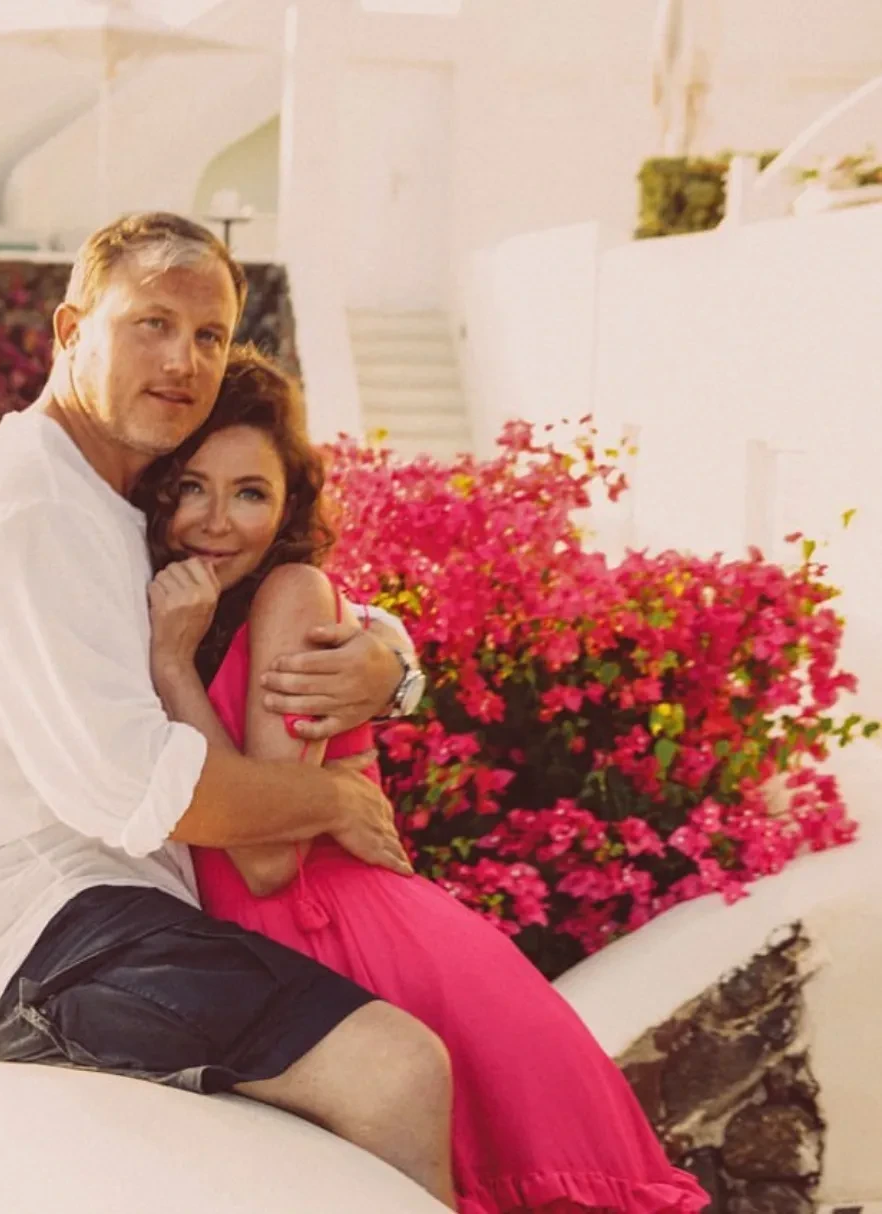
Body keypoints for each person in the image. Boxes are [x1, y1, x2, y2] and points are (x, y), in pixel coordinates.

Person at [0, 212, 458, 1205]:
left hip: (90, 917)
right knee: (396, 1071)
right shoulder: (33, 507)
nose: (184, 360)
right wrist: (332, 801)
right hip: (31, 939)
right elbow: (144, 789)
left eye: (209, 334)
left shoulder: (119, 493)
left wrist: (392, 664)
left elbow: (284, 585)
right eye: (152, 324)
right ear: (70, 332)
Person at [134, 345, 711, 1214]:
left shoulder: (289, 592)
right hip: (305, 962)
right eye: (192, 487)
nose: (217, 521)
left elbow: (265, 858)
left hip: (364, 949)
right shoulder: (198, 608)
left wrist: (174, 665)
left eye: (250, 492)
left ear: (288, 506)